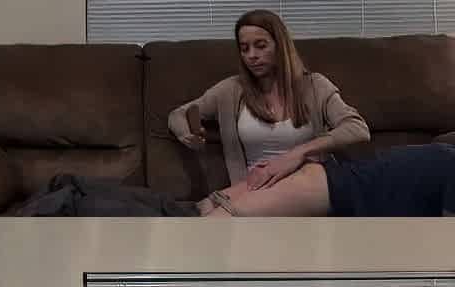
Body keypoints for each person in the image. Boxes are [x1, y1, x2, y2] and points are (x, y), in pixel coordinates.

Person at [169, 9, 455, 216]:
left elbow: (357, 128)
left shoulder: (314, 86)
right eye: (244, 49)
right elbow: (178, 114)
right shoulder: (231, 90)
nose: (252, 55)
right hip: (252, 185)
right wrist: (185, 133)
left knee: (221, 218)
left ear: (280, 46)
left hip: (307, 181)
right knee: (199, 213)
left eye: (260, 46)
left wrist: (297, 154)